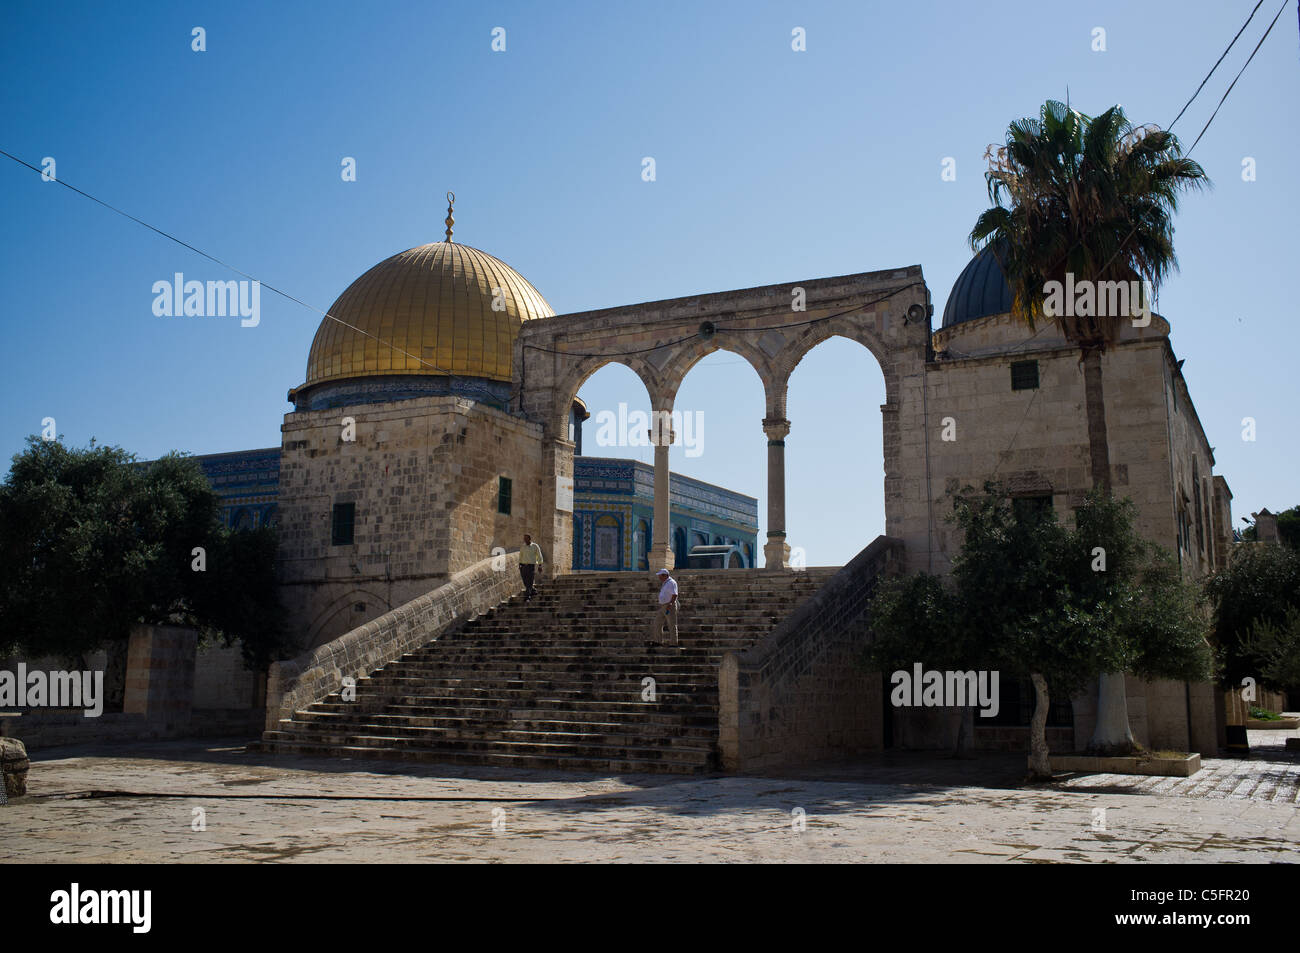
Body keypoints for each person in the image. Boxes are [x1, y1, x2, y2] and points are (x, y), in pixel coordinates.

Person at [648, 568, 679, 646]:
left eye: (660, 576)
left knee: (671, 624)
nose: (659, 578)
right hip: (663, 606)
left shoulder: (671, 582)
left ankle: (674, 643)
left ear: (665, 575)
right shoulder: (665, 583)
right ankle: (658, 641)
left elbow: (674, 594)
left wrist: (670, 604)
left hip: (669, 606)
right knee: (657, 622)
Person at [519, 534, 544, 602]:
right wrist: (520, 565)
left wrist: (540, 565)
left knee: (529, 581)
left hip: (531, 566)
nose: (524, 540)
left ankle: (528, 597)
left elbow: (539, 556)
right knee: (525, 581)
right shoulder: (523, 547)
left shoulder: (535, 546)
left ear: (530, 539)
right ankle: (533, 590)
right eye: (524, 538)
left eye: (526, 538)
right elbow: (521, 556)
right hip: (523, 566)